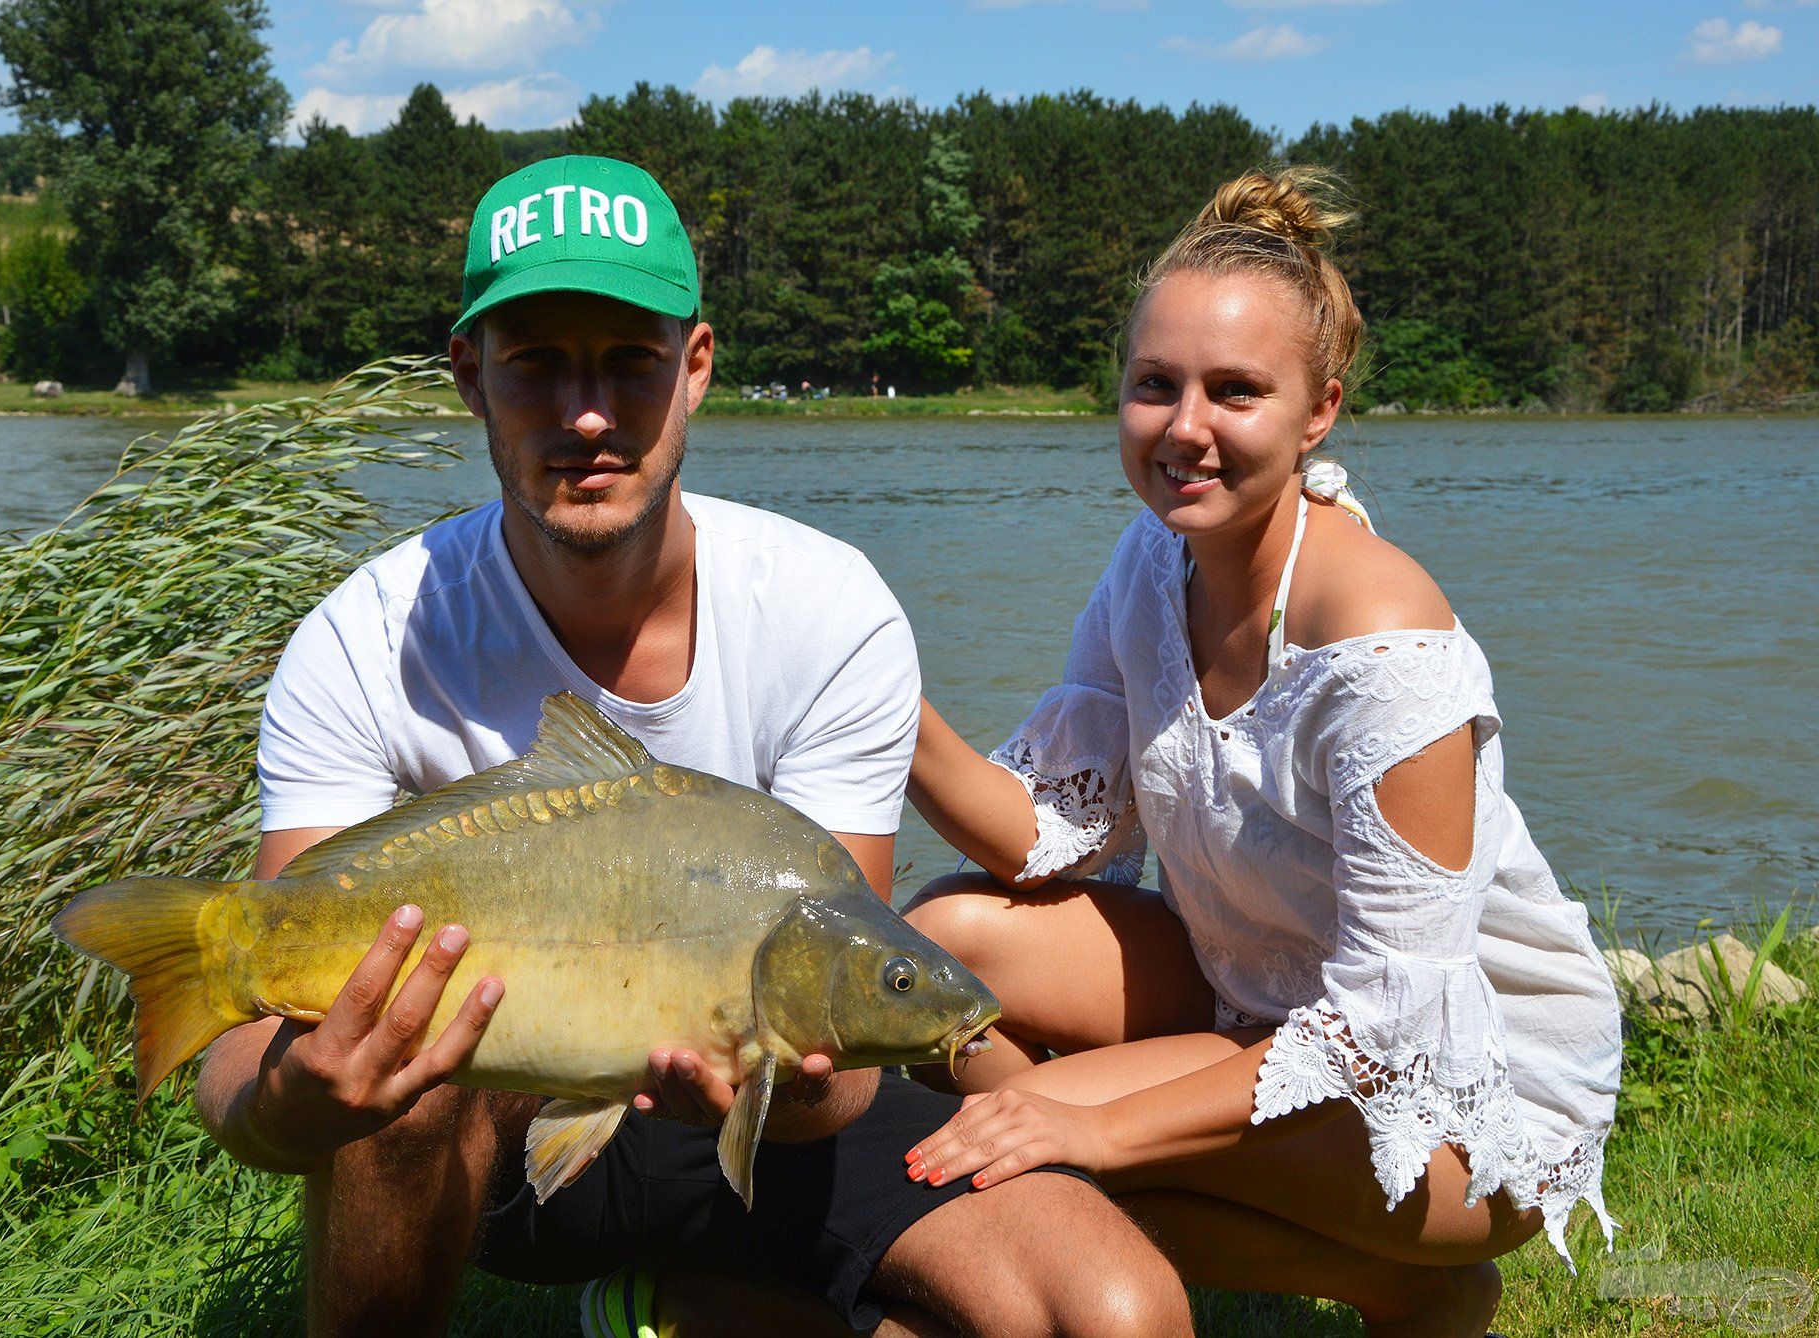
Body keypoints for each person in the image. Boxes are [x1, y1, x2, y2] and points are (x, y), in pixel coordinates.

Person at [192, 154, 1187, 1338]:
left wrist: (790, 1080)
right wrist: (304, 1100)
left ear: (697, 366)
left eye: (629, 363)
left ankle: (681, 1310)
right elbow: (241, 1074)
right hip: (495, 1123)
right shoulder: (367, 637)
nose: (589, 415)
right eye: (538, 366)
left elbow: (848, 1054)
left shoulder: (829, 608)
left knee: (1116, 1317)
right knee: (399, 1089)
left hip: (772, 1127)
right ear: (470, 377)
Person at [900, 166, 1622, 1336]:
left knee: (1034, 1151)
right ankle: (1382, 1281)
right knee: (936, 961)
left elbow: (1386, 1025)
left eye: (1235, 391)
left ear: (1318, 411)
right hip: (1256, 994)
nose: (1185, 429)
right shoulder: (1151, 562)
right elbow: (1049, 836)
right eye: (1154, 386)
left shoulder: (1384, 642)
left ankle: (1415, 1269)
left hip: (1454, 1086)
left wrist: (1084, 1122)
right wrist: (888, 712)